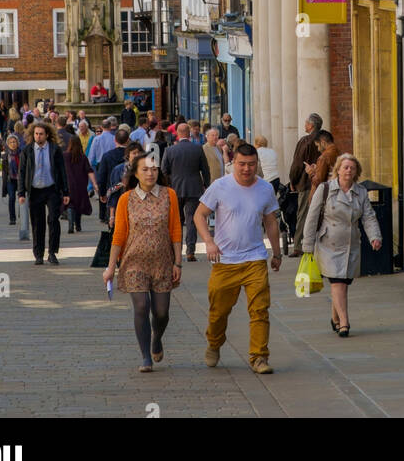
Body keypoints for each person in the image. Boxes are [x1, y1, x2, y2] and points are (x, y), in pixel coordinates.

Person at [194, 141, 281, 375]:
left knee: (260, 310)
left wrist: (277, 252)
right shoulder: (220, 186)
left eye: (251, 165)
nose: (246, 169)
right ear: (233, 164)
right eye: (242, 164)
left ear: (257, 165)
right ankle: (214, 343)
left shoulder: (265, 189)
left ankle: (259, 357)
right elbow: (199, 215)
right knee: (218, 312)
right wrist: (209, 242)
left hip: (255, 259)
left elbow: (271, 221)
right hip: (225, 261)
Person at [103, 149, 182, 372]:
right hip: (133, 261)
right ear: (136, 174)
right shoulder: (126, 199)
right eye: (145, 170)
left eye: (154, 169)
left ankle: (157, 338)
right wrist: (110, 268)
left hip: (162, 261)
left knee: (161, 312)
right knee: (141, 306)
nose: (150, 173)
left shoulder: (170, 195)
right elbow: (118, 235)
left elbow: (175, 230)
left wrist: (178, 262)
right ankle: (145, 356)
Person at [302, 153, 382, 337]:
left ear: (356, 172)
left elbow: (368, 216)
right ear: (337, 170)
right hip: (328, 243)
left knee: (343, 282)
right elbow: (312, 218)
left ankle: (335, 318)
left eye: (352, 168)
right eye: (345, 167)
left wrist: (375, 237)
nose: (348, 171)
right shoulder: (325, 189)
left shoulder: (360, 192)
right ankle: (344, 322)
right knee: (337, 282)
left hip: (351, 243)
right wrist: (307, 246)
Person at [18, 120, 70, 266]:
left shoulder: (54, 149)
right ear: (32, 135)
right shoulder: (27, 151)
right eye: (36, 134)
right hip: (35, 191)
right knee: (37, 223)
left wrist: (66, 192)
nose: (38, 136)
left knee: (53, 220)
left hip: (51, 189)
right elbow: (22, 172)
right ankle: (38, 254)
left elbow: (62, 171)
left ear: (47, 135)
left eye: (41, 134)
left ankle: (52, 253)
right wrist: (21, 193)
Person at [162, 122, 210, 262]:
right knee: (192, 220)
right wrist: (207, 185)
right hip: (194, 189)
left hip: (175, 189)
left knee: (176, 221)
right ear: (189, 133)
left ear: (177, 133)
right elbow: (205, 170)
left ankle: (175, 252)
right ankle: (190, 251)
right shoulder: (198, 149)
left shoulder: (170, 151)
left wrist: (168, 185)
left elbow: (164, 171)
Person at [288, 112, 322, 256]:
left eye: (306, 123)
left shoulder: (305, 141)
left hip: (306, 183)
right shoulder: (325, 139)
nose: (304, 125)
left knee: (303, 213)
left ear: (311, 125)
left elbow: (297, 163)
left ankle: (298, 245)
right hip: (323, 182)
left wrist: (292, 180)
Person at [63, 131, 92, 233]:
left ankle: (70, 225)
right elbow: (89, 170)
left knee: (71, 204)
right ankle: (78, 225)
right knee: (78, 204)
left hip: (69, 183)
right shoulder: (83, 157)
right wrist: (95, 185)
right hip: (81, 184)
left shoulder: (65, 156)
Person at [1, 135, 21, 224]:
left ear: (17, 143)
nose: (13, 144)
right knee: (12, 198)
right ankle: (12, 218)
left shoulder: (22, 154)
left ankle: (23, 214)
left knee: (22, 198)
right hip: (10, 179)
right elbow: (4, 172)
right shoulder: (5, 156)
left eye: (14, 142)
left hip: (20, 180)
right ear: (8, 144)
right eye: (11, 142)